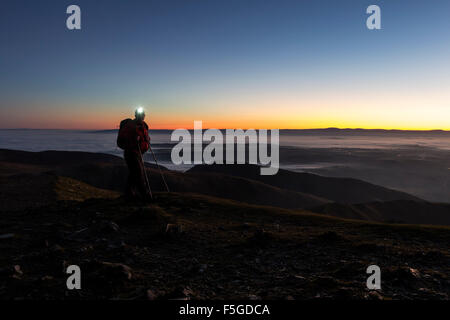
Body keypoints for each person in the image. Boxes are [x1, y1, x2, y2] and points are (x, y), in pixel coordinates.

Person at [118, 107, 152, 202]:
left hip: (138, 153)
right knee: (138, 174)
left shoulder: (143, 126)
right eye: (142, 114)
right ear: (136, 115)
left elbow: (144, 138)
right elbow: (125, 138)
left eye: (144, 114)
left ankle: (129, 194)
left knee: (133, 174)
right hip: (131, 153)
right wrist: (134, 139)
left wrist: (147, 141)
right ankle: (145, 196)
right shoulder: (130, 125)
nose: (143, 116)